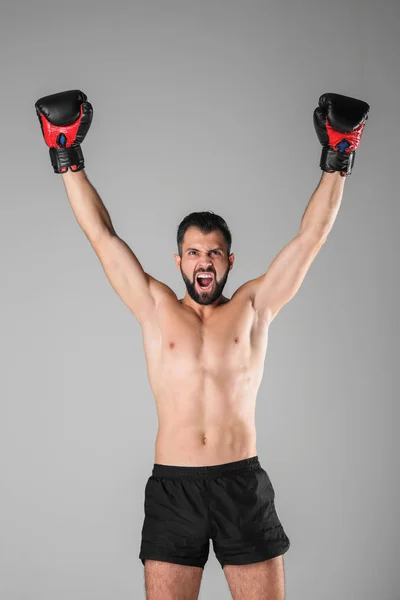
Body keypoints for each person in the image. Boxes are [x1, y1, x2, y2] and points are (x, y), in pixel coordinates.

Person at [35, 90, 369, 600]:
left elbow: (309, 240)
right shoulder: (155, 307)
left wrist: (338, 160)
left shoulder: (254, 306)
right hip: (174, 488)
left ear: (230, 262)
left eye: (214, 252)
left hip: (242, 484)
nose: (204, 261)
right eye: (193, 252)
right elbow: (102, 236)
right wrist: (66, 157)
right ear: (179, 262)